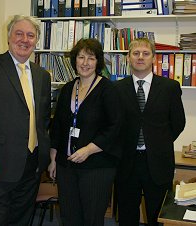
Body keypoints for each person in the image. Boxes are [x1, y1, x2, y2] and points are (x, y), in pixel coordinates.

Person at [0, 15, 51, 226]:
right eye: (19, 34)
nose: (24, 40)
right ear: (8, 37)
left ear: (36, 41)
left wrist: (44, 155)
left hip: (32, 164)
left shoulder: (42, 75)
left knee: (22, 219)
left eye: (30, 35)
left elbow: (42, 120)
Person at [48, 38, 122, 226]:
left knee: (91, 219)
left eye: (91, 58)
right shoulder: (67, 89)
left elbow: (115, 127)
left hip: (96, 167)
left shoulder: (108, 90)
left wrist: (88, 149)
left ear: (98, 62)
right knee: (69, 217)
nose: (85, 63)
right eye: (81, 57)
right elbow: (58, 126)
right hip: (67, 167)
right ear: (74, 61)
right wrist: (53, 159)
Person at [115, 37, 186, 226]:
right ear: (128, 58)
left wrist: (158, 142)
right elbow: (114, 126)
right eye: (135, 53)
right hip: (126, 163)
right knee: (127, 216)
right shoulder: (116, 89)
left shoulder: (169, 87)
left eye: (146, 54)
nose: (140, 57)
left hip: (158, 162)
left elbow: (178, 123)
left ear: (153, 58)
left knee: (157, 216)